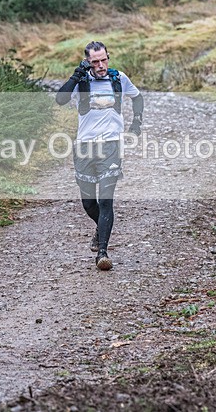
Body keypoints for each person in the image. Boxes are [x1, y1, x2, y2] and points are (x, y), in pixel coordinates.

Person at [55, 41, 144, 271]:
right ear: (87, 61)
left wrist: (137, 122)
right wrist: (76, 75)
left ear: (108, 57)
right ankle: (100, 228)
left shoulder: (118, 78)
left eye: (104, 59)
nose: (101, 65)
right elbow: (60, 99)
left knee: (106, 200)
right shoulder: (82, 81)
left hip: (111, 146)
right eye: (95, 61)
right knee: (88, 203)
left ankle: (102, 253)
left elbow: (137, 97)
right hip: (84, 147)